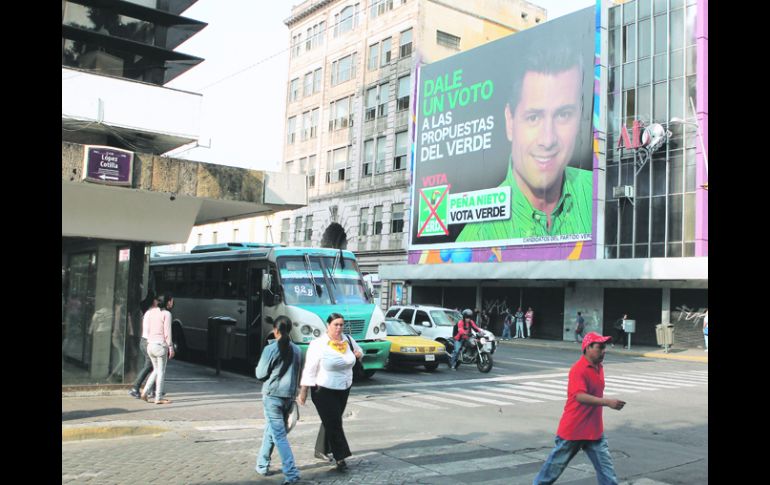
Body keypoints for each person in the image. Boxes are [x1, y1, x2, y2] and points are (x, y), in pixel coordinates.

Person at [457, 37, 591, 242]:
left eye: (563, 115)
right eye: (533, 117)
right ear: (510, 121)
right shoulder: (475, 237)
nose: (547, 140)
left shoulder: (598, 194)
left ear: (580, 117)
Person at [533, 332, 626, 485]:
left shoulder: (599, 367)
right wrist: (608, 402)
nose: (603, 351)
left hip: (594, 431)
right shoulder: (579, 369)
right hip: (574, 430)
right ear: (588, 348)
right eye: (600, 347)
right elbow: (579, 396)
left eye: (605, 348)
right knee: (552, 471)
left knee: (606, 471)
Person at [298, 313, 363, 472]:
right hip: (323, 389)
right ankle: (340, 457)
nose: (339, 328)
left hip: (344, 387)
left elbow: (359, 351)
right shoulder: (318, 344)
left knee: (331, 420)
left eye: (341, 324)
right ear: (328, 325)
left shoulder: (347, 340)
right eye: (336, 324)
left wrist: (359, 354)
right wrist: (303, 391)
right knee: (335, 423)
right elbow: (310, 369)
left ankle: (321, 448)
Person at [255, 317, 302, 484]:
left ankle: (291, 473)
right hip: (288, 397)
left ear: (276, 330)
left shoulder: (271, 349)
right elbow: (298, 375)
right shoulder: (297, 350)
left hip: (272, 396)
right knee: (272, 430)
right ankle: (262, 464)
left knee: (279, 436)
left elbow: (260, 374)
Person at [141, 294, 174, 404]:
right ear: (167, 302)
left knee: (155, 370)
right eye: (171, 301)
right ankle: (158, 398)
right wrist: (171, 347)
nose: (172, 303)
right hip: (160, 346)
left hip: (150, 345)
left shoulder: (150, 312)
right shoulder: (167, 314)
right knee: (161, 372)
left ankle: (145, 391)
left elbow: (147, 329)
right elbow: (167, 333)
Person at [129, 293, 158, 399]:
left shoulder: (147, 313)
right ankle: (135, 387)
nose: (158, 302)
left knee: (154, 367)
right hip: (147, 342)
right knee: (150, 366)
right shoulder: (151, 313)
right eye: (156, 300)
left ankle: (152, 390)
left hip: (145, 341)